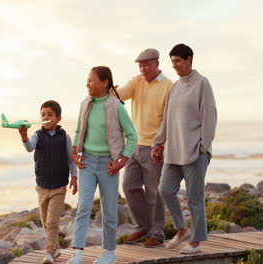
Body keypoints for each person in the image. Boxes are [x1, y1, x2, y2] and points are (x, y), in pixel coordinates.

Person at [67, 66, 138, 264]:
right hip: (87, 162)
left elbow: (132, 136)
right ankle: (78, 253)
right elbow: (79, 130)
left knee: (109, 210)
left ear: (104, 83)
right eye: (87, 80)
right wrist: (74, 152)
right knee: (83, 207)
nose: (87, 84)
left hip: (109, 165)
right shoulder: (85, 104)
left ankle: (109, 253)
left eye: (91, 80)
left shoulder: (117, 106)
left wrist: (122, 162)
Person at [152, 43, 217, 254]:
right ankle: (182, 228)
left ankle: (196, 242)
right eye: (172, 62)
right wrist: (158, 142)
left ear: (189, 59)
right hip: (174, 151)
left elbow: (210, 117)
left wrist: (203, 147)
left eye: (178, 61)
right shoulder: (175, 87)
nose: (175, 66)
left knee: (195, 199)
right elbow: (167, 119)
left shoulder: (202, 84)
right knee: (165, 189)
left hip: (194, 151)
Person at [112, 48, 173, 247]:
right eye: (140, 65)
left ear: (156, 63)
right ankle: (142, 227)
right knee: (129, 185)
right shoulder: (136, 81)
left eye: (146, 65)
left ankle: (157, 233)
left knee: (154, 191)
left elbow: (170, 121)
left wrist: (162, 145)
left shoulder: (168, 87)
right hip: (134, 146)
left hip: (155, 147)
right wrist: (111, 91)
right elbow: (119, 96)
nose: (143, 69)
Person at [17, 100, 78, 264]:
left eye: (50, 115)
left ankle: (49, 253)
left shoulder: (64, 137)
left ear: (58, 118)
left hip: (59, 186)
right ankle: (56, 248)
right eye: (43, 114)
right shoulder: (37, 135)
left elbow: (70, 159)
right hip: (42, 186)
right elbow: (30, 147)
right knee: (46, 222)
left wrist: (74, 176)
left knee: (52, 222)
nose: (46, 117)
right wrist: (24, 136)